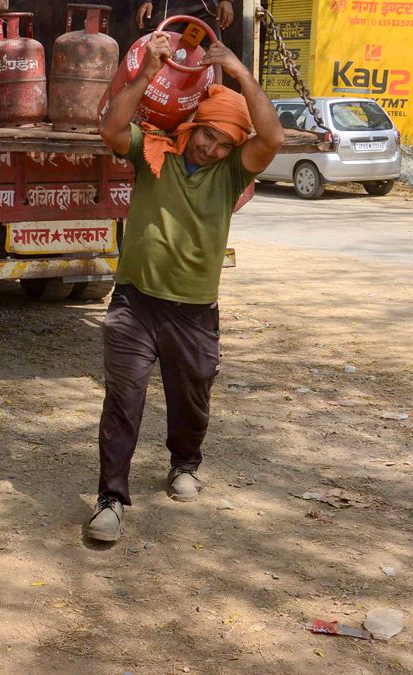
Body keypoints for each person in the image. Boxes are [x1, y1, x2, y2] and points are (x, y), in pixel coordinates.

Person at [86, 35, 283, 543]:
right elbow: (111, 127)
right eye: (207, 136)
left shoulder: (231, 172)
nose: (210, 149)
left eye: (223, 143)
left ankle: (185, 463)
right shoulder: (154, 152)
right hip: (135, 303)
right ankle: (110, 498)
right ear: (193, 126)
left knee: (191, 397)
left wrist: (240, 72)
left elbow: (272, 137)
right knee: (123, 400)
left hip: (194, 311)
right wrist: (147, 74)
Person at [137, 0, 235, 37]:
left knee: (208, 54)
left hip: (201, 10)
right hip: (164, 11)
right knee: (160, 53)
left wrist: (226, 0)